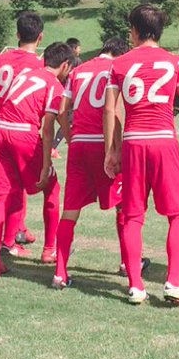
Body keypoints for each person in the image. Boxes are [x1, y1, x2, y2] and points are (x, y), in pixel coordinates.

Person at [104, 4, 179, 307]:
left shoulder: (119, 64)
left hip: (134, 141)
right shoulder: (175, 63)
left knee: (133, 215)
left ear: (134, 30)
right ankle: (173, 282)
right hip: (163, 140)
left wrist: (111, 150)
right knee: (177, 215)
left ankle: (136, 286)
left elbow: (110, 109)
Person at [0, 41, 72, 277]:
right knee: (52, 188)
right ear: (65, 65)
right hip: (23, 134)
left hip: (0, 130)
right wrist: (46, 164)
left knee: (3, 196)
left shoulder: (26, 75)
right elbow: (47, 130)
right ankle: (49, 250)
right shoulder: (54, 85)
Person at [51, 37, 130, 289]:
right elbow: (114, 110)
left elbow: (62, 111)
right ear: (120, 54)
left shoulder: (79, 70)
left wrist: (71, 136)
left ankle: (60, 273)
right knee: (124, 207)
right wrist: (115, 148)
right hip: (103, 143)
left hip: (80, 144)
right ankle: (127, 263)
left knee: (70, 210)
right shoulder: (117, 69)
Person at [0, 10, 51, 254]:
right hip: (24, 129)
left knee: (7, 189)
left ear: (16, 34)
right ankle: (16, 239)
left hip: (1, 127)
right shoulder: (39, 63)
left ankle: (14, 233)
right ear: (40, 37)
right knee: (29, 185)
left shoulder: (0, 59)